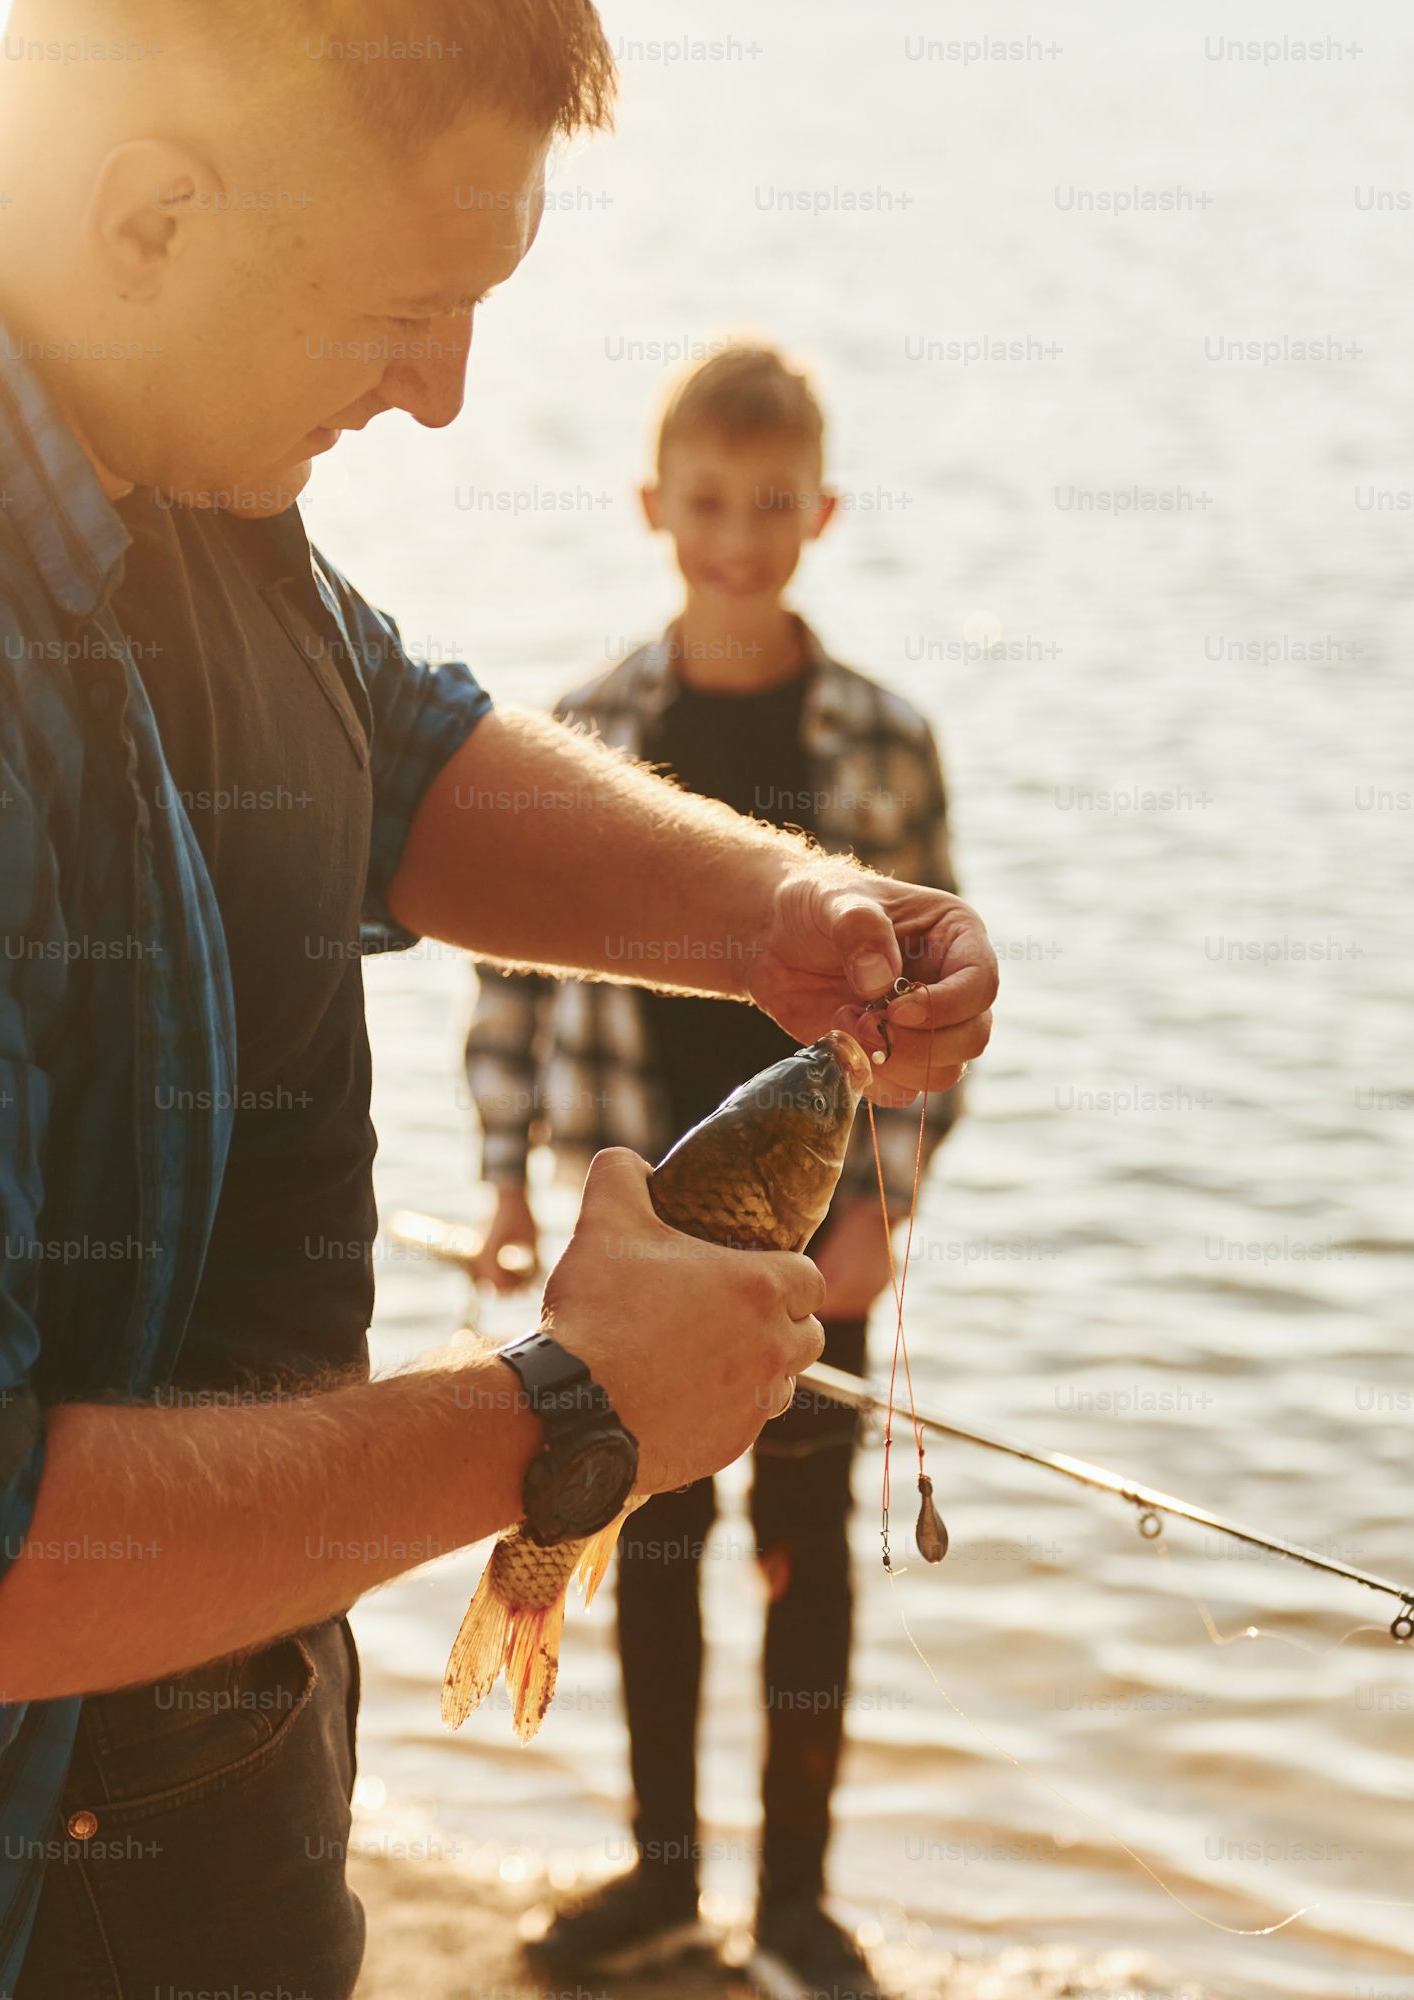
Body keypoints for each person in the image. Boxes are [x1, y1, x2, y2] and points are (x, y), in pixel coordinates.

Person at [0, 6, 997, 2000]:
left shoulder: (106, 375)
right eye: (402, 309)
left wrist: (777, 910)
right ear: (148, 216)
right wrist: (564, 1411)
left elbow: (371, 732)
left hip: (221, 1749)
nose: (444, 394)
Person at [465, 343, 961, 2000]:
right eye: (705, 506)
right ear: (651, 509)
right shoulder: (598, 731)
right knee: (649, 1541)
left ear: (818, 512)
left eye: (770, 507)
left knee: (804, 1552)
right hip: (643, 1226)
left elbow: (930, 1008)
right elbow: (511, 988)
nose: (736, 539)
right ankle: (662, 1875)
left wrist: (889, 1202)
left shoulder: (886, 742)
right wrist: (508, 1183)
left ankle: (797, 1902)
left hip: (818, 1239)